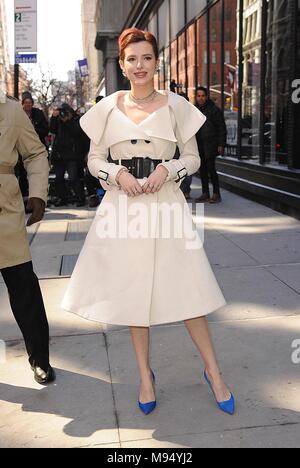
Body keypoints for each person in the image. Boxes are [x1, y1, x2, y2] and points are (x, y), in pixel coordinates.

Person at [61, 28, 235, 416]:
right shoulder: (106, 108)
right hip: (123, 206)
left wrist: (169, 170)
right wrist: (114, 175)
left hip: (166, 203)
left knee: (191, 290)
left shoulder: (176, 106)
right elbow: (93, 160)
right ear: (122, 66)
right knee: (134, 295)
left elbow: (192, 158)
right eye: (132, 59)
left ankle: (214, 372)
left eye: (146, 58)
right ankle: (144, 376)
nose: (140, 66)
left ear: (157, 62)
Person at [0, 88, 55, 385]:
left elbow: (35, 153)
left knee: (24, 289)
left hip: (4, 212)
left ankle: (40, 360)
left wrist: (38, 195)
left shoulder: (10, 111)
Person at [195, 87, 227, 204]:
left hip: (211, 144)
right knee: (202, 170)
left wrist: (221, 144)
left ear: (206, 96)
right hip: (199, 145)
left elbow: (221, 128)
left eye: (203, 96)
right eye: (198, 96)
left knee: (211, 169)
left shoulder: (214, 110)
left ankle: (216, 194)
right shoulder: (194, 110)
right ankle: (205, 193)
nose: (201, 98)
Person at [50, 103, 86, 207]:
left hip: (71, 155)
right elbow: (52, 130)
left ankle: (80, 198)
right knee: (59, 178)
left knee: (73, 177)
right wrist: (53, 117)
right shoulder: (58, 120)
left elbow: (76, 132)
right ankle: (62, 198)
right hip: (59, 155)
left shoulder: (75, 120)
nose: (63, 114)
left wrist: (68, 121)